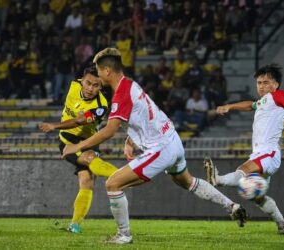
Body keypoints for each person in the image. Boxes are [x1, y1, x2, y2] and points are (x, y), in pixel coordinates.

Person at [62, 48, 247, 244]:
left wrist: (77, 146)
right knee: (189, 182)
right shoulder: (131, 85)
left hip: (160, 149)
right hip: (173, 140)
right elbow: (142, 117)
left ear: (107, 71)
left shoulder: (121, 94)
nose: (98, 75)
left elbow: (109, 130)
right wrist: (129, 140)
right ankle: (232, 206)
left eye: (99, 71)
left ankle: (124, 235)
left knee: (113, 183)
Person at [205, 63, 284, 234]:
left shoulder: (280, 95)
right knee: (257, 197)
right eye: (259, 83)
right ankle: (282, 225)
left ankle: (217, 180)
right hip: (261, 154)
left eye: (265, 82)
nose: (261, 86)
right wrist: (230, 106)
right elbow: (251, 105)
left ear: (275, 84)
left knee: (243, 170)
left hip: (268, 153)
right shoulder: (264, 101)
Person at [39, 67, 118, 233]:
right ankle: (120, 174)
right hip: (68, 141)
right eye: (88, 83)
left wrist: (54, 125)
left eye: (96, 85)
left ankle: (75, 225)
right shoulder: (74, 84)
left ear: (101, 86)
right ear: (82, 80)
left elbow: (79, 121)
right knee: (90, 163)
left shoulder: (101, 106)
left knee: (86, 181)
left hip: (89, 141)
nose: (90, 88)